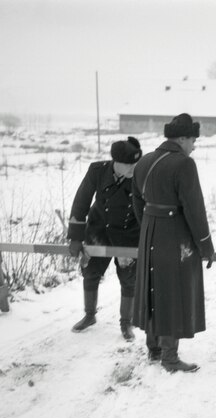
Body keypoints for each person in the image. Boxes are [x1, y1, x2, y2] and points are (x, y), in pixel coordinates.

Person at [131, 113, 214, 373]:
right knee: (172, 292)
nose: (194, 146)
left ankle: (154, 349)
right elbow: (194, 208)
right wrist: (205, 244)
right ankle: (169, 357)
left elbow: (136, 203)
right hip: (174, 236)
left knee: (152, 288)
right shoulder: (184, 164)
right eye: (192, 140)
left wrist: (148, 225)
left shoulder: (144, 161)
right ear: (181, 138)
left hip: (149, 233)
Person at [67, 136, 143, 340]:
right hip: (98, 230)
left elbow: (148, 207)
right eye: (128, 164)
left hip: (128, 233)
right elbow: (81, 201)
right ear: (115, 162)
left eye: (135, 163)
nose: (133, 168)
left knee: (129, 279)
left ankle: (126, 324)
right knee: (90, 272)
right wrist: (75, 237)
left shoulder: (141, 174)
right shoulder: (97, 171)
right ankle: (89, 315)